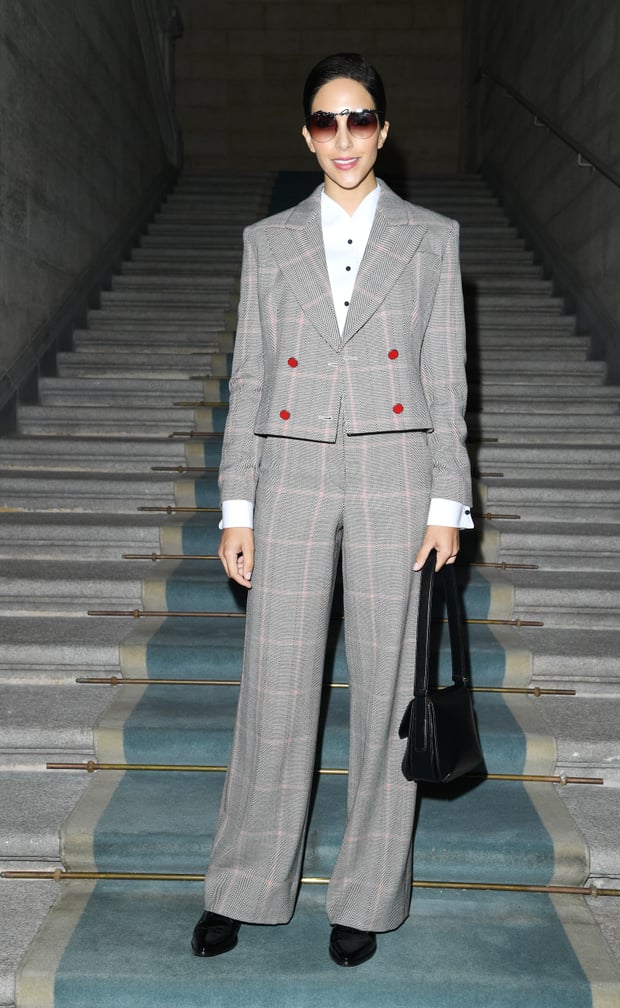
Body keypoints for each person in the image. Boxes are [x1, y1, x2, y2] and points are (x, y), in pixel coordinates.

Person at [191, 52, 473, 968]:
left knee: (392, 689)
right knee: (274, 690)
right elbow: (246, 379)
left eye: (358, 120)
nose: (342, 138)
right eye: (324, 121)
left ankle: (364, 895)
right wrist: (237, 505)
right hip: (291, 473)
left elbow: (446, 381)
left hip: (398, 476)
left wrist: (448, 500)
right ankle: (243, 884)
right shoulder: (266, 242)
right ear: (306, 133)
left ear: (383, 131)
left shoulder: (432, 238)